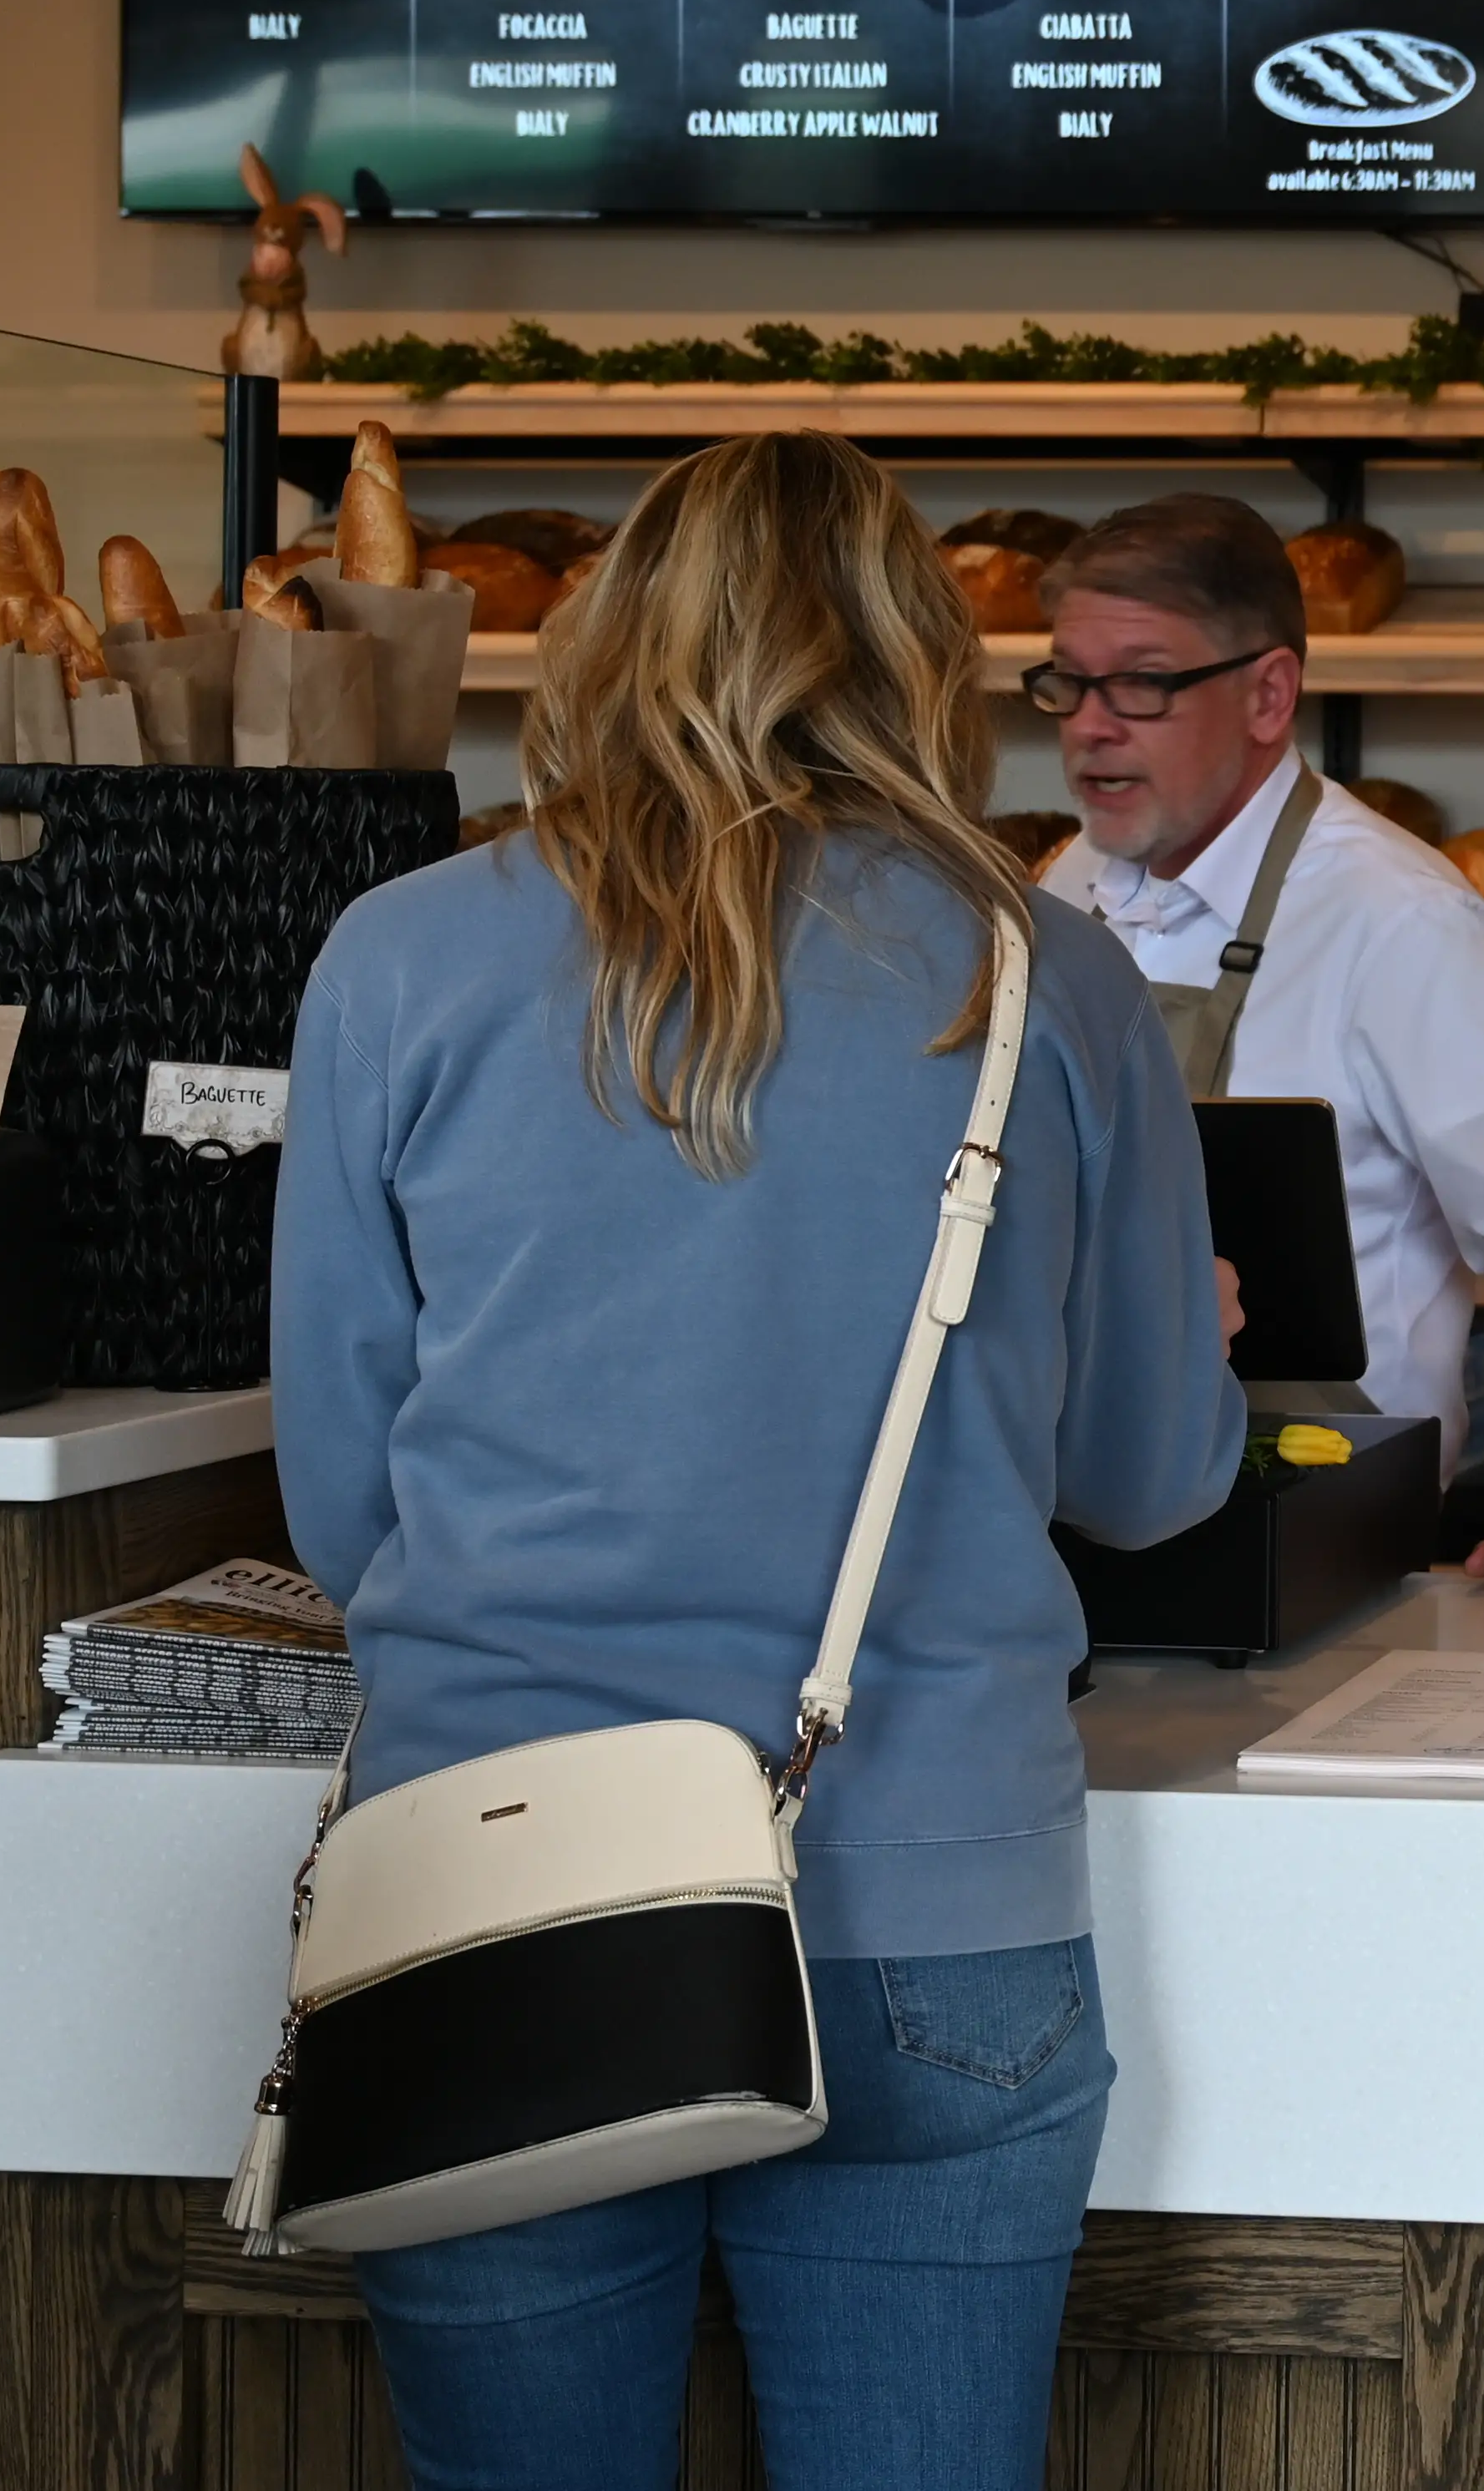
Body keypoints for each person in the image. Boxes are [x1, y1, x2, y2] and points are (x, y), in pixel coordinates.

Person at [273, 430, 1242, 2491]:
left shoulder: (402, 956)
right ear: (917, 655)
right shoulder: (1047, 970)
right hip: (934, 1902)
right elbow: (1156, 1471)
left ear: (608, 633)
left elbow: (347, 1505)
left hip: (499, 1888)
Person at [1029, 493, 1484, 1592]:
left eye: (1142, 683)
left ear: (1269, 694)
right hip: (1074, 1518)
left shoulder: (1398, 920)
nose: (1092, 725)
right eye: (1068, 682)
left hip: (1315, 1531)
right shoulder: (1069, 884)